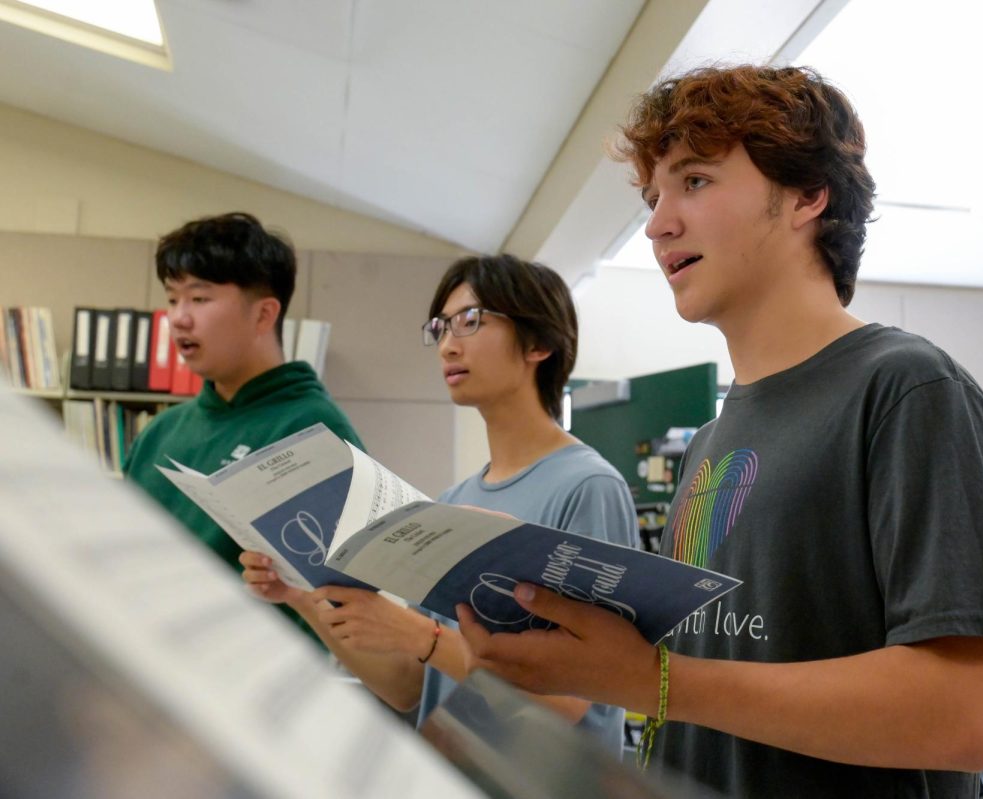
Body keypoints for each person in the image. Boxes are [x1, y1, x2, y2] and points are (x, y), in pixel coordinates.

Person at [455, 65, 983, 797]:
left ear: (806, 194)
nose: (659, 222)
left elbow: (964, 715)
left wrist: (655, 681)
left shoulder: (907, 390)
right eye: (652, 196)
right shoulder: (708, 442)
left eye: (694, 181)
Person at [240, 253, 639, 756]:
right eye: (440, 327)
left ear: (538, 342)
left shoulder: (588, 487)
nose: (448, 345)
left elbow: (571, 698)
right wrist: (300, 594)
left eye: (470, 322)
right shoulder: (452, 503)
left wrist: (421, 635)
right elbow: (407, 687)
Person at [123, 211, 364, 636]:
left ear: (263, 315)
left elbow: (340, 606)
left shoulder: (314, 429)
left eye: (199, 298)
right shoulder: (160, 432)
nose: (179, 317)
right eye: (173, 298)